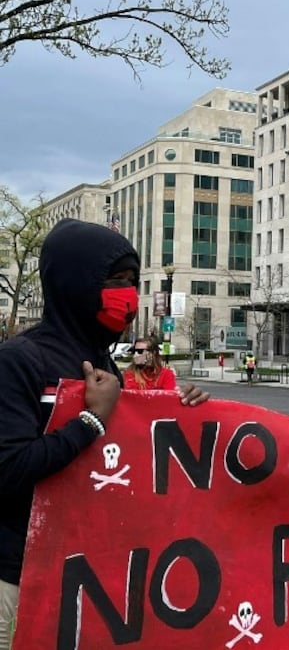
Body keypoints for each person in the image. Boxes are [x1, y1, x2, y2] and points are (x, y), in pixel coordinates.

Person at [0, 219, 209, 649]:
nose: (128, 294)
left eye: (133, 281)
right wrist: (89, 423)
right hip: (18, 581)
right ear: (74, 282)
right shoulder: (18, 361)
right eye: (115, 280)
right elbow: (8, 468)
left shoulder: (105, 364)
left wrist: (182, 415)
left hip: (86, 578)